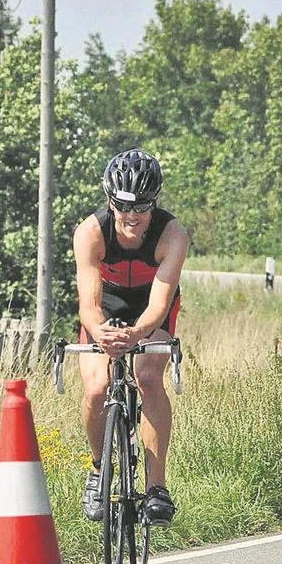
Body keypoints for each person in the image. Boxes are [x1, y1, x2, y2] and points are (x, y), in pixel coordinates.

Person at [73, 149, 189, 527]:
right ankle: (97, 469)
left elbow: (160, 302)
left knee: (149, 375)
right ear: (110, 200)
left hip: (151, 308)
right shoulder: (90, 232)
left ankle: (157, 488)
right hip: (103, 307)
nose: (132, 215)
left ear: (154, 203)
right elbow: (88, 304)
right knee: (96, 387)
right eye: (123, 206)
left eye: (142, 206)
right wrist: (102, 332)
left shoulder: (172, 235)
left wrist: (136, 334)